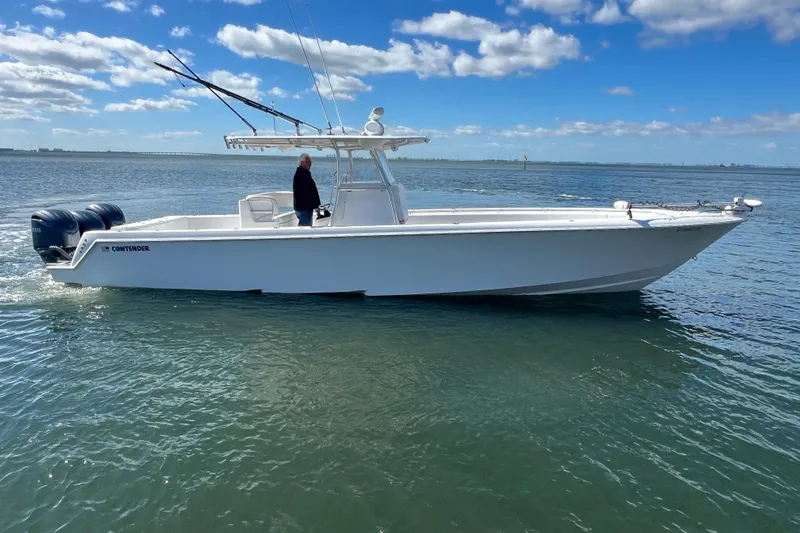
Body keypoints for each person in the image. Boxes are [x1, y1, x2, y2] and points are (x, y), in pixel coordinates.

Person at [292, 153, 321, 227]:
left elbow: (311, 191)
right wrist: (315, 205)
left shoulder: (304, 174)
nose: (310, 164)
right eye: (307, 162)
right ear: (301, 162)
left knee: (305, 228)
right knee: (304, 228)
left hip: (305, 207)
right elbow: (307, 193)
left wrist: (316, 205)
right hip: (304, 208)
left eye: (310, 162)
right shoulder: (301, 174)